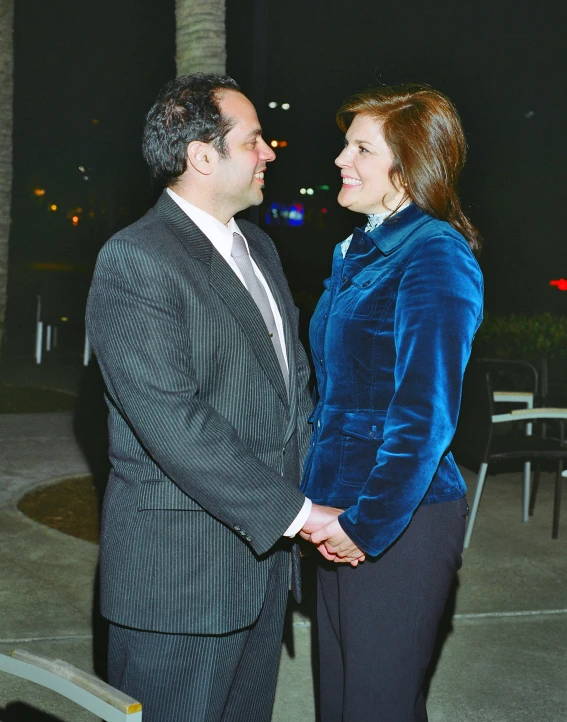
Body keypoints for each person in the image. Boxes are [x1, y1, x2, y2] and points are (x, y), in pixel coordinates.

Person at [86, 73, 342, 722]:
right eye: (253, 139)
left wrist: (326, 493)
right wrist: (299, 515)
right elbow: (173, 422)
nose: (270, 152)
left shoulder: (258, 247)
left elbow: (294, 391)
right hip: (183, 590)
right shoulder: (136, 259)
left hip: (261, 573)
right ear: (202, 157)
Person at [300, 84, 484, 721]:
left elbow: (424, 417)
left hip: (399, 522)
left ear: (406, 166)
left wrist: (365, 525)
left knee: (377, 708)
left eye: (360, 147)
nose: (339, 160)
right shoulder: (360, 251)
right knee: (341, 705)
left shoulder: (435, 253)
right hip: (337, 512)